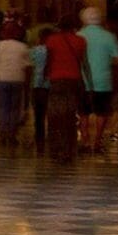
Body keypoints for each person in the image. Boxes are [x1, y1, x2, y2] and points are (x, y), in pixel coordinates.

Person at [40, 15, 89, 161]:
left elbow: (49, 59)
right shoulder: (80, 41)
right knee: (70, 115)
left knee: (55, 115)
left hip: (56, 80)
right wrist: (88, 82)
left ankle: (56, 148)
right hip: (73, 80)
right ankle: (69, 148)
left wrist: (44, 76)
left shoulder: (52, 40)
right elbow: (83, 62)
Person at [80, 8, 118, 160]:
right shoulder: (109, 36)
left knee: (83, 112)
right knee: (102, 112)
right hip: (104, 80)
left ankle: (85, 139)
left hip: (83, 80)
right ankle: (97, 141)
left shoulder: (79, 35)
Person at [0, 16, 34, 153]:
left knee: (3, 107)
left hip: (1, 79)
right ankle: (12, 133)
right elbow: (28, 67)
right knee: (14, 108)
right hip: (18, 79)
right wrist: (27, 83)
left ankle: (3, 132)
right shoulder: (23, 47)